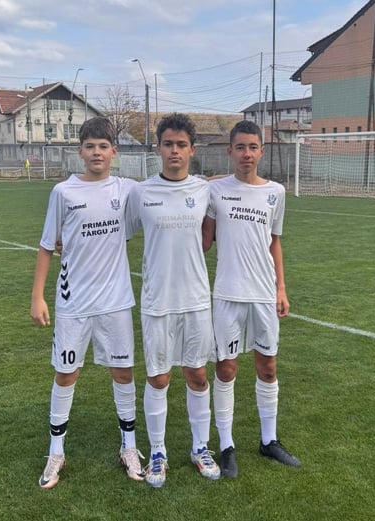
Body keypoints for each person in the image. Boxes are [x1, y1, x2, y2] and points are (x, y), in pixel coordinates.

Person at [30, 117, 144, 489]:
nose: (97, 152)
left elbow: (169, 188)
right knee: (66, 374)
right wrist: (37, 297)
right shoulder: (63, 192)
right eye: (90, 146)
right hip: (73, 303)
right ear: (80, 151)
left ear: (114, 152)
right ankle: (56, 452)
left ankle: (129, 447)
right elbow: (47, 245)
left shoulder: (127, 189)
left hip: (115, 301)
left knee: (123, 373)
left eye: (103, 146)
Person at [125, 113, 220, 488]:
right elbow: (117, 233)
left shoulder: (205, 191)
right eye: (168, 144)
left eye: (181, 144)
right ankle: (158, 452)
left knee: (197, 374)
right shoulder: (141, 193)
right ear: (158, 148)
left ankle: (200, 448)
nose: (174, 151)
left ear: (192, 149)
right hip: (157, 301)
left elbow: (210, 236)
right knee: (159, 377)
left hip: (196, 299)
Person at [202, 119, 300, 479]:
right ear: (230, 151)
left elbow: (275, 242)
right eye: (240, 147)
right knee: (226, 368)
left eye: (253, 147)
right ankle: (226, 446)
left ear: (262, 151)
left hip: (263, 294)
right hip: (228, 294)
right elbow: (205, 242)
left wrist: (281, 288)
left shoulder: (276, 192)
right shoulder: (215, 191)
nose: (247, 153)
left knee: (268, 367)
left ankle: (269, 440)